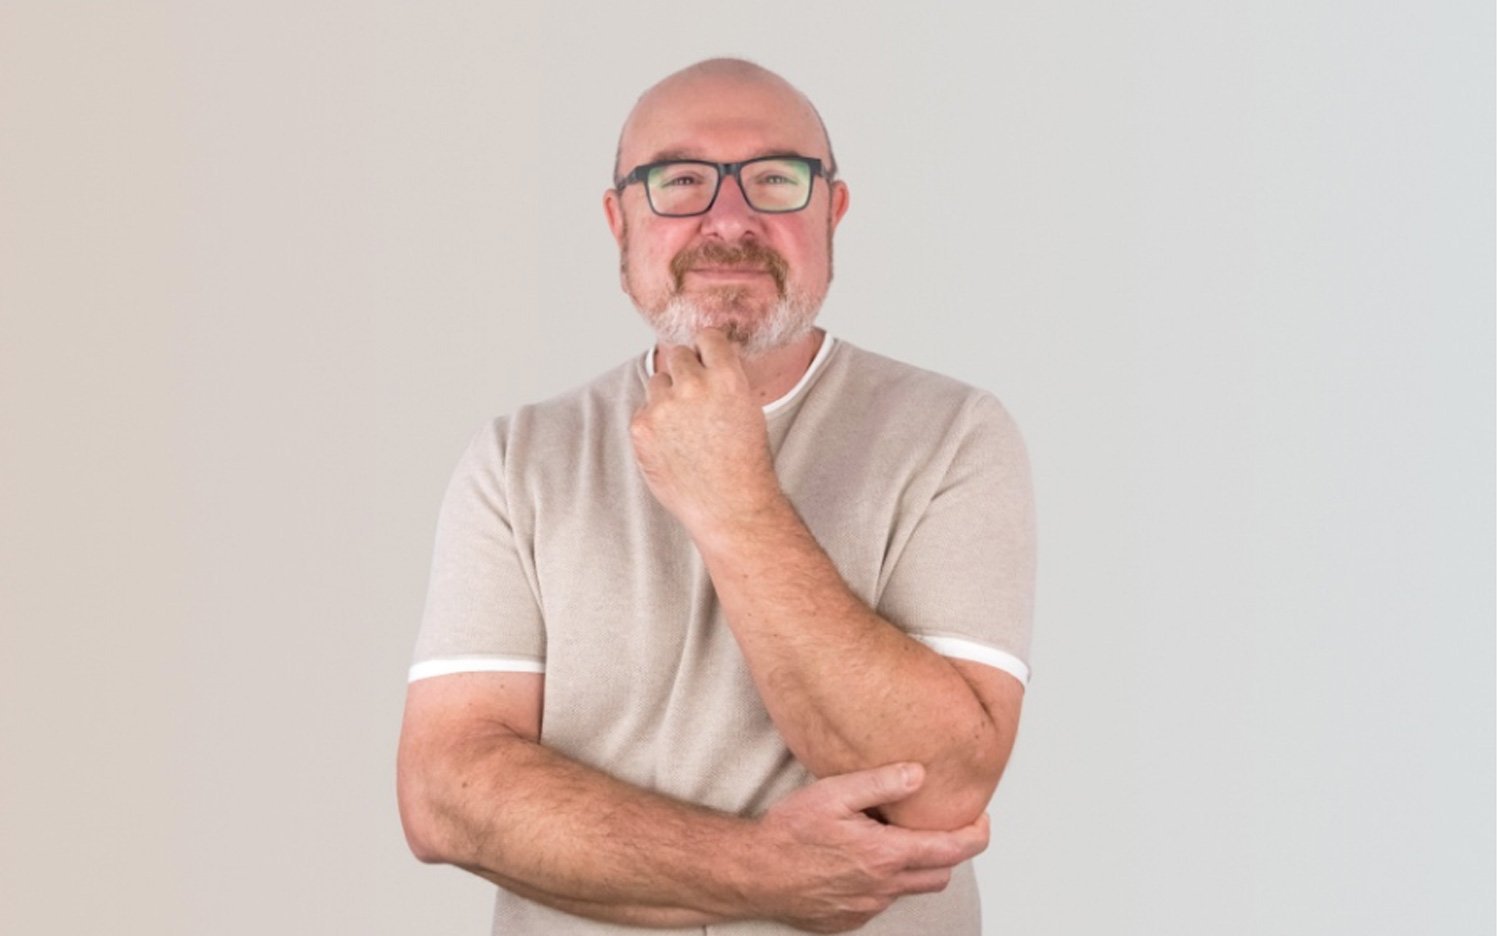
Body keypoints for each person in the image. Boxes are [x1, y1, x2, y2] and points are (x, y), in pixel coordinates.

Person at [396, 57, 1037, 935]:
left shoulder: (953, 434)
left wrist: (735, 502)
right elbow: (447, 795)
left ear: (832, 213)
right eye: (681, 182)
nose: (730, 220)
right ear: (620, 223)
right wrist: (758, 871)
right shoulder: (519, 460)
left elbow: (940, 787)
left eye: (775, 180)